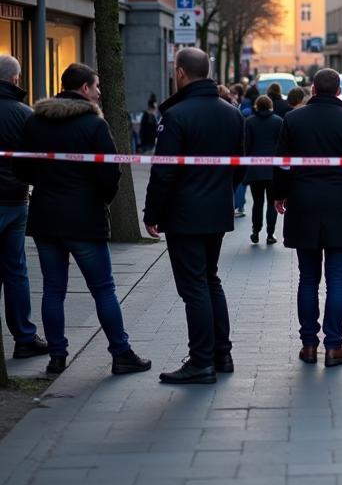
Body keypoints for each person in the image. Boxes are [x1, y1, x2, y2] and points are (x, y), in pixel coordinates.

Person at [15, 63, 150, 377]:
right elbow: (109, 171)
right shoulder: (93, 125)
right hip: (85, 218)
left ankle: (57, 357)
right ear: (85, 89)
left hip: (46, 217)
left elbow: (21, 168)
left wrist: (43, 186)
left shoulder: (36, 122)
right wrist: (99, 199)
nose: (100, 92)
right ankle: (121, 353)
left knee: (52, 290)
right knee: (103, 289)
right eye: (97, 87)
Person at [143, 48, 245, 385]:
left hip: (184, 213)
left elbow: (164, 172)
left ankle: (201, 361)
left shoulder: (176, 115)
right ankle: (221, 353)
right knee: (210, 278)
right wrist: (222, 193)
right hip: (216, 210)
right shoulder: (232, 113)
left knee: (193, 287)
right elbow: (239, 166)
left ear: (181, 72)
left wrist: (153, 212)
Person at [272, 68, 342, 365]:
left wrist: (279, 194)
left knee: (307, 278)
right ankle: (334, 346)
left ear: (312, 88)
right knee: (337, 279)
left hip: (303, 203)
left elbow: (282, 163)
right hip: (341, 205)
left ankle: (309, 345)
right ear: (338, 92)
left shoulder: (293, 120)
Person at [0, 56, 44, 360]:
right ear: (16, 80)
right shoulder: (25, 115)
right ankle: (24, 337)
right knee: (15, 270)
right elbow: (36, 162)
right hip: (15, 200)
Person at [244, 95, 283, 245]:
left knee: (257, 202)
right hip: (273, 169)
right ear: (271, 106)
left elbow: (246, 145)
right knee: (272, 202)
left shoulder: (250, 122)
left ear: (256, 106)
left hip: (255, 169)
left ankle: (255, 230)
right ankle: (270, 234)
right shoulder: (278, 121)